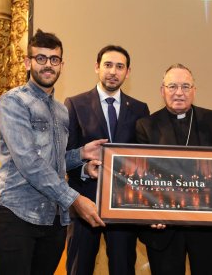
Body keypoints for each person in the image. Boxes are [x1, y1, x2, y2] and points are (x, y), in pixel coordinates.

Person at [0, 29, 105, 275]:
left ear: (62, 64)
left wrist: (82, 155)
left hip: (53, 219)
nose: (48, 65)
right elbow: (29, 162)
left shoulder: (61, 110)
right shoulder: (13, 102)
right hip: (16, 214)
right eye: (40, 58)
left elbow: (54, 161)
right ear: (28, 62)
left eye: (54, 59)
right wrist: (75, 199)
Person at [135, 63, 212, 275]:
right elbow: (140, 179)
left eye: (186, 86)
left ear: (194, 91)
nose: (179, 92)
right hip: (164, 230)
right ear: (162, 91)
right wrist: (150, 214)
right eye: (172, 86)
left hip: (207, 228)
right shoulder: (146, 125)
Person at [64, 45, 150, 275]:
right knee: (79, 268)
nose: (113, 71)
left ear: (128, 72)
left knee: (123, 268)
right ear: (97, 67)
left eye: (120, 67)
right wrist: (84, 170)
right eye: (108, 65)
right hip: (84, 202)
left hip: (125, 207)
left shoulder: (140, 109)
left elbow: (145, 160)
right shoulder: (74, 104)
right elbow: (64, 156)